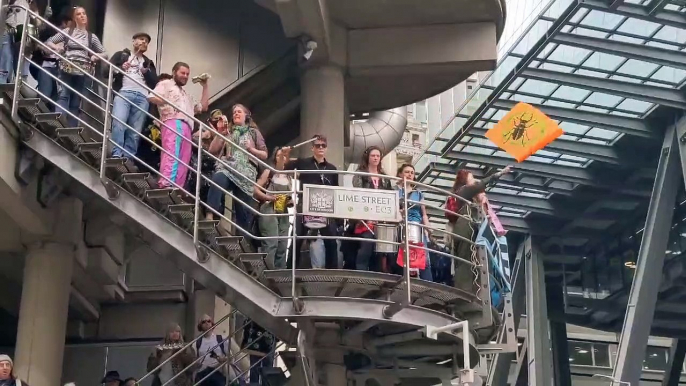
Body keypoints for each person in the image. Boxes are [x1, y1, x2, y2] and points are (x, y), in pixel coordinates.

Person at [205, 104, 267, 237]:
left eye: (239, 112)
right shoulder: (229, 132)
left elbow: (264, 154)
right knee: (218, 179)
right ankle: (210, 215)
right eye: (234, 113)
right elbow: (212, 150)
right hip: (228, 167)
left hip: (246, 174)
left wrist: (252, 150)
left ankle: (242, 240)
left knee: (243, 211)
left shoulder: (254, 132)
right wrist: (220, 133)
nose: (236, 114)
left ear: (246, 116)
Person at [447, 167, 511, 292]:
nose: (474, 182)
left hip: (470, 229)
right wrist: (498, 174)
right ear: (464, 181)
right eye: (471, 179)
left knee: (475, 263)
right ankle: (464, 292)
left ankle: (475, 293)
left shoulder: (471, 200)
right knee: (466, 262)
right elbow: (479, 186)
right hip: (465, 228)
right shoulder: (462, 191)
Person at [148, 61, 209, 189]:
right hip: (172, 120)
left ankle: (177, 187)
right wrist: (168, 102)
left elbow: (203, 107)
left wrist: (205, 86)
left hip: (188, 126)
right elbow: (152, 97)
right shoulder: (166, 83)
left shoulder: (187, 95)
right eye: (183, 73)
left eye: (187, 74)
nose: (185, 76)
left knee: (184, 159)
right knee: (172, 152)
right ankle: (165, 183)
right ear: (174, 72)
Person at [282, 135, 339, 269]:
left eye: (323, 145)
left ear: (326, 148)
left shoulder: (332, 169)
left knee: (331, 241)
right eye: (317, 145)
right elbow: (286, 166)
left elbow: (336, 190)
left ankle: (332, 271)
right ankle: (290, 269)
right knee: (296, 239)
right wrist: (286, 154)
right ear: (312, 148)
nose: (320, 148)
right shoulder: (304, 163)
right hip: (305, 207)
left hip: (325, 209)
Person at [45, 6, 106, 127]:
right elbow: (49, 41)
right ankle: (58, 123)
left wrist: (96, 56)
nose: (82, 16)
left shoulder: (91, 37)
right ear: (75, 18)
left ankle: (71, 127)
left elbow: (105, 53)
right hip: (67, 68)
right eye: (79, 14)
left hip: (82, 71)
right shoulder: (68, 31)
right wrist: (57, 47)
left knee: (76, 100)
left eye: (84, 13)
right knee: (63, 95)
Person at [109, 32, 159, 159]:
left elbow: (155, 84)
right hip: (124, 93)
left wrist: (146, 72)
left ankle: (128, 157)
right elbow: (106, 70)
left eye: (146, 41)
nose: (144, 42)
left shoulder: (148, 62)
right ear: (133, 41)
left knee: (135, 131)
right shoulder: (122, 55)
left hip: (142, 97)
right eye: (141, 39)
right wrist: (120, 68)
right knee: (118, 123)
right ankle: (117, 153)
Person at [351, 146, 392, 272]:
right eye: (373, 155)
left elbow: (390, 194)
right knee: (366, 245)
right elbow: (357, 192)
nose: (375, 158)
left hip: (381, 219)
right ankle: (361, 273)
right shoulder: (360, 174)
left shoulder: (384, 176)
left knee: (380, 251)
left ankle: (377, 277)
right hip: (365, 219)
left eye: (378, 156)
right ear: (368, 157)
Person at [254, 146, 292, 269]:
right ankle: (267, 273)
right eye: (279, 155)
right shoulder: (269, 172)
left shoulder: (289, 177)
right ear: (275, 158)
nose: (282, 158)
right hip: (269, 208)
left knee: (282, 245)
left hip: (283, 211)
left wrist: (290, 201)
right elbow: (255, 189)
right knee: (271, 243)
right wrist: (267, 197)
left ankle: (280, 275)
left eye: (284, 155)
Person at [395, 163, 432, 281]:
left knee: (423, 258)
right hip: (401, 226)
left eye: (412, 172)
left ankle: (427, 287)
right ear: (400, 174)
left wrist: (428, 228)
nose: (410, 174)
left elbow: (424, 213)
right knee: (403, 257)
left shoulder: (419, 193)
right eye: (406, 172)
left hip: (418, 227)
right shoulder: (395, 191)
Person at [33, 12, 71, 109]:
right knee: (45, 94)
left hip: (60, 70)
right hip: (47, 66)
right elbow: (43, 49)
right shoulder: (51, 33)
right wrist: (56, 48)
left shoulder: (70, 37)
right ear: (64, 23)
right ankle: (36, 115)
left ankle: (49, 119)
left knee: (56, 97)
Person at [194, 315, 229, 386]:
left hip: (218, 371)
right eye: (204, 322)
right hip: (202, 373)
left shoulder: (221, 339)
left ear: (212, 323)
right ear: (200, 325)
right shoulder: (197, 342)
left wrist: (224, 360)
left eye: (209, 321)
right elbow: (194, 359)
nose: (207, 323)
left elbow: (231, 357)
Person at [241, 320, 275, 385]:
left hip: (259, 337)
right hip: (262, 336)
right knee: (262, 367)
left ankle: (258, 383)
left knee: (257, 367)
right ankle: (261, 383)